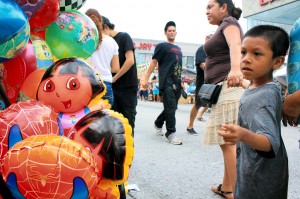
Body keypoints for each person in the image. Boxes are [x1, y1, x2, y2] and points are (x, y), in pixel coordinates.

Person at [218, 25, 289, 199]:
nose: (246, 59)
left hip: (260, 180)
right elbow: (252, 90)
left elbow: (270, 143)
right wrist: (242, 84)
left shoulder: (265, 96)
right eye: (243, 52)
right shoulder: (261, 85)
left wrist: (243, 135)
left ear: (277, 62)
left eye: (256, 54)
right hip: (254, 170)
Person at [204, 1, 245, 198]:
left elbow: (236, 44)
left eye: (210, 6)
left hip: (229, 86)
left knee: (228, 141)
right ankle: (228, 187)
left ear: (224, 7)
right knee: (225, 140)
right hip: (222, 87)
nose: (207, 11)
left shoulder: (229, 22)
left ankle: (237, 192)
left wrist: (236, 69)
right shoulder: (222, 26)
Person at [143, 21, 183, 145]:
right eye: (169, 30)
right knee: (171, 107)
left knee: (171, 107)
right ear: (165, 33)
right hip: (166, 81)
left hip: (177, 82)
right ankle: (170, 133)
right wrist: (145, 78)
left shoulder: (179, 49)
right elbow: (154, 63)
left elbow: (178, 66)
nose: (171, 32)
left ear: (176, 32)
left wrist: (180, 82)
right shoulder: (161, 46)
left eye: (173, 30)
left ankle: (158, 123)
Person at [102, 16, 138, 137]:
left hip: (127, 86)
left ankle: (128, 154)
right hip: (112, 87)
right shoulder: (103, 43)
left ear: (106, 27)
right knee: (113, 123)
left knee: (128, 122)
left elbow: (130, 60)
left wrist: (115, 77)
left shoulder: (124, 37)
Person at [85, 9, 120, 107]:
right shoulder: (112, 42)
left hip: (86, 84)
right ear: (101, 22)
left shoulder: (80, 40)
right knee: (104, 120)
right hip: (106, 85)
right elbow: (116, 68)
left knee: (86, 119)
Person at [186, 34, 212, 136]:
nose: (212, 40)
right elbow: (203, 65)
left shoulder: (214, 51)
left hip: (213, 83)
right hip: (203, 84)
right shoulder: (202, 49)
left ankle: (214, 128)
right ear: (206, 39)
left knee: (213, 105)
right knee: (197, 104)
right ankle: (190, 126)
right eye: (210, 38)